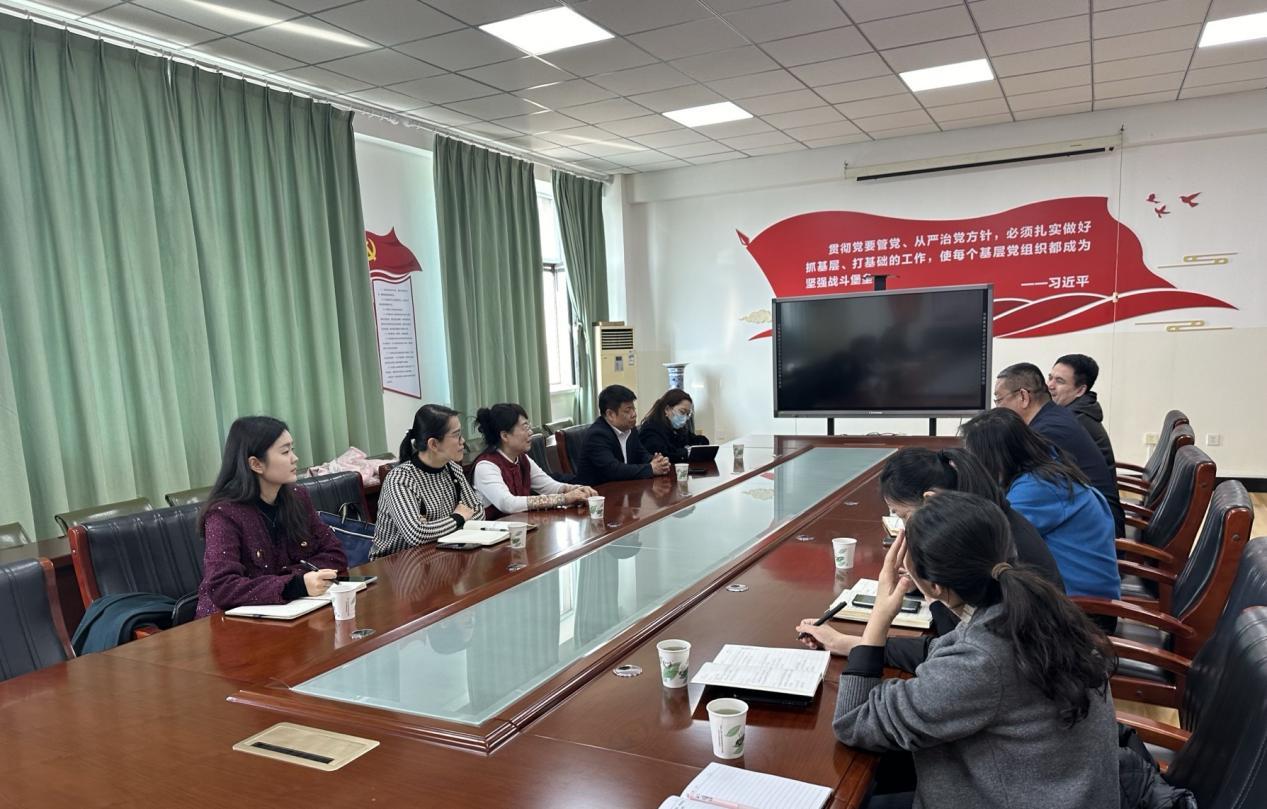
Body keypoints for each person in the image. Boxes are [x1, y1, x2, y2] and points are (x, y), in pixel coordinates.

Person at [799, 492, 1119, 809]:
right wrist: (849, 644)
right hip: (1057, 788)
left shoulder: (980, 659)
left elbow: (854, 722)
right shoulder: (1035, 608)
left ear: (934, 587)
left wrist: (880, 614)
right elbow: (942, 649)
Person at [960, 408, 1121, 603]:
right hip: (1075, 595)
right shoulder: (1046, 467)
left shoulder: (1039, 487)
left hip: (1082, 608)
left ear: (997, 458)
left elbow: (990, 538)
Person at [196, 416, 347, 618]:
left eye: (292, 449)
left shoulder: (297, 497)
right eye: (285, 452)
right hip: (230, 622)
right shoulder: (224, 514)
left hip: (292, 611)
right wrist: (294, 585)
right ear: (256, 464)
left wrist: (293, 581)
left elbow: (335, 553)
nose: (295, 458)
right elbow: (223, 587)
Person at [993, 362, 1124, 536]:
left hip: (1098, 530)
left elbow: (1021, 491)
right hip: (1093, 518)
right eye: (1050, 378)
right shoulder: (1054, 416)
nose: (997, 408)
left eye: (999, 400)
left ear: (1023, 396)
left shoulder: (1046, 433)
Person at [373, 404, 485, 559]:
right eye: (456, 435)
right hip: (395, 562)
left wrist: (431, 527)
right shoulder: (400, 479)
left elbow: (479, 512)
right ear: (433, 444)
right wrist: (458, 517)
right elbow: (415, 534)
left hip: (439, 554)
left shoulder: (452, 469)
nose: (463, 441)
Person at [472, 403, 597, 517]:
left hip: (522, 526)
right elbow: (508, 504)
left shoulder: (522, 458)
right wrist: (564, 499)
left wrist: (576, 489)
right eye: (525, 428)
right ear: (505, 435)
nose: (531, 432)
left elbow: (549, 486)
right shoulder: (486, 466)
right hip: (495, 531)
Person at [574, 385, 671, 485]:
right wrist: (651, 468)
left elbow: (641, 454)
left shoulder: (630, 429)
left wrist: (657, 461)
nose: (634, 414)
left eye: (634, 409)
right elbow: (613, 470)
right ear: (610, 414)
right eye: (628, 410)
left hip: (625, 488)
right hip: (596, 491)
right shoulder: (597, 436)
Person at [1048, 354, 1117, 471]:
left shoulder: (1072, 420)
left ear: (1080, 390)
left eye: (1059, 381)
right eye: (1050, 378)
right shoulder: (1078, 411)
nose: (1050, 385)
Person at [638, 389, 710, 463]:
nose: (685, 418)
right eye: (682, 412)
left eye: (687, 414)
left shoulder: (678, 429)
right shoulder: (651, 429)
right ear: (667, 409)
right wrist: (687, 451)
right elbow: (663, 455)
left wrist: (695, 448)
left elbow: (699, 440)